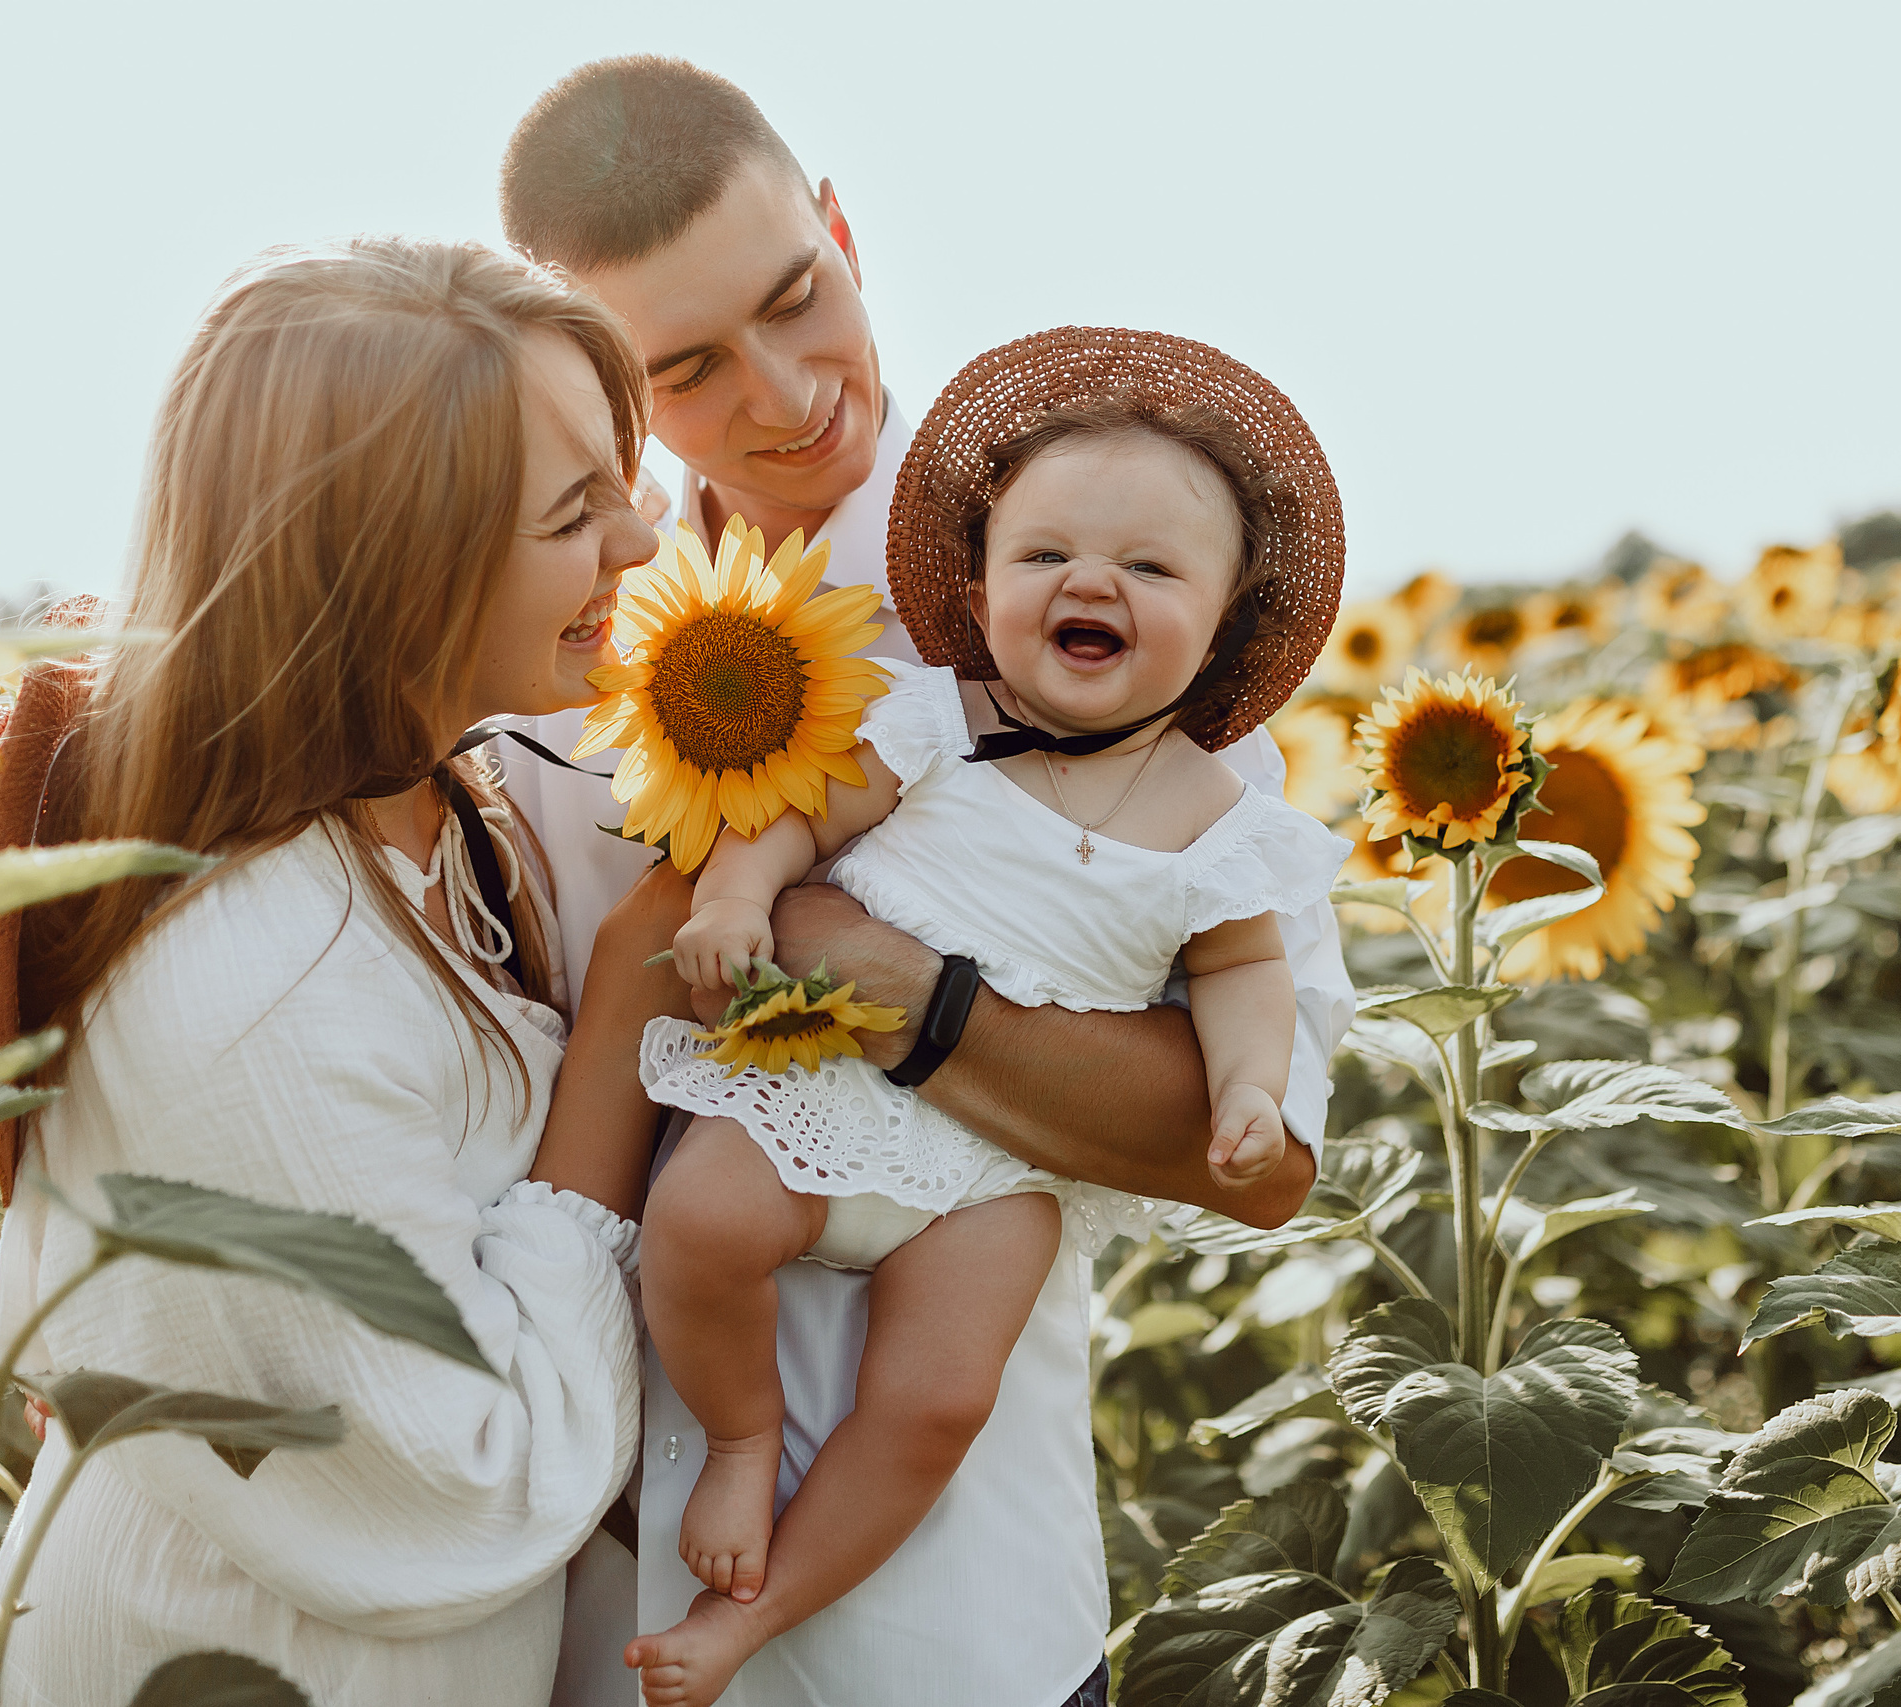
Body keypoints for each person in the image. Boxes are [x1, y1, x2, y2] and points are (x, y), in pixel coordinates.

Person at [501, 58, 1355, 1707]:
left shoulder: (1089, 584)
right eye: (684, 369)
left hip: (947, 1603)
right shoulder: (572, 638)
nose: (779, 394)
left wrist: (888, 980)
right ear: (598, 390)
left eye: (795, 299)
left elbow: (1256, 1160)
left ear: (838, 224)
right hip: (592, 1577)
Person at [0, 238, 693, 1707]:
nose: (637, 542)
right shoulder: (252, 984)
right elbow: (469, 1476)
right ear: (393, 572)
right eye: (577, 511)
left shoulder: (444, 801)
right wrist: (625, 1020)